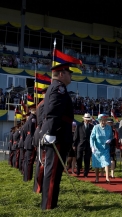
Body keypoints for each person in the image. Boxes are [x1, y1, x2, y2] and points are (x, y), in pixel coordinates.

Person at [40, 62, 77, 210]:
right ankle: (48, 205)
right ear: (61, 74)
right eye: (69, 72)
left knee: (54, 171)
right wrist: (50, 132)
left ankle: (50, 203)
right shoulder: (59, 88)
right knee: (53, 171)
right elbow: (53, 111)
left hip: (59, 133)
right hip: (58, 134)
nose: (71, 75)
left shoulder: (57, 88)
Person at [90, 114, 112, 183]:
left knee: (107, 163)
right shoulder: (95, 127)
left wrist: (110, 140)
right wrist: (92, 147)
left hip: (105, 148)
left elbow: (111, 136)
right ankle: (97, 178)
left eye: (105, 120)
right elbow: (92, 138)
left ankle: (107, 178)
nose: (103, 122)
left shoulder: (109, 127)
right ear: (99, 121)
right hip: (97, 149)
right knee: (97, 164)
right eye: (102, 121)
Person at [33, 87, 47, 193]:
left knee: (42, 162)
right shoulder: (43, 104)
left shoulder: (42, 103)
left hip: (41, 133)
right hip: (42, 134)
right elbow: (42, 121)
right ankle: (39, 187)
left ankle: (40, 186)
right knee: (42, 162)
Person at [73, 113, 94, 177]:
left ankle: (86, 173)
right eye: (86, 119)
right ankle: (78, 171)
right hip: (80, 144)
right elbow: (76, 136)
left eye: (88, 119)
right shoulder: (79, 126)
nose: (87, 120)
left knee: (87, 159)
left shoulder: (92, 127)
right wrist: (74, 145)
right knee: (79, 158)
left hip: (88, 145)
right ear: (84, 119)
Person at [23, 105, 37, 182]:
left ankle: (26, 177)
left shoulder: (30, 118)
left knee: (27, 161)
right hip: (31, 141)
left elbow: (25, 129)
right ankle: (27, 177)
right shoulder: (33, 118)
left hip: (28, 141)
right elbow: (32, 131)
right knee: (29, 161)